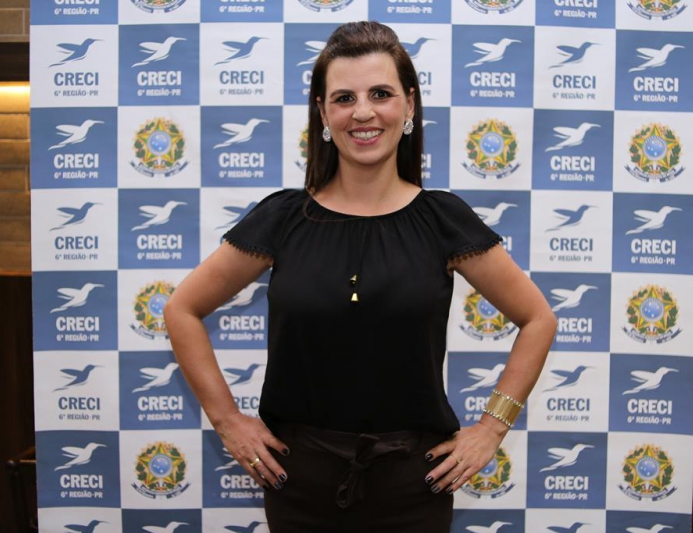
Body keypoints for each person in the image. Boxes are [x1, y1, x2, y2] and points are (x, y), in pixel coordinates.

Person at [164, 21, 556, 533]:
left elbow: (538, 318)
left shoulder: (443, 220)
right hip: (298, 483)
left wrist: (492, 427)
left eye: (380, 94)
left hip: (415, 486)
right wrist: (227, 420)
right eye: (344, 98)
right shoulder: (283, 219)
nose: (363, 112)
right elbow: (182, 309)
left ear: (409, 106)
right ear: (323, 112)